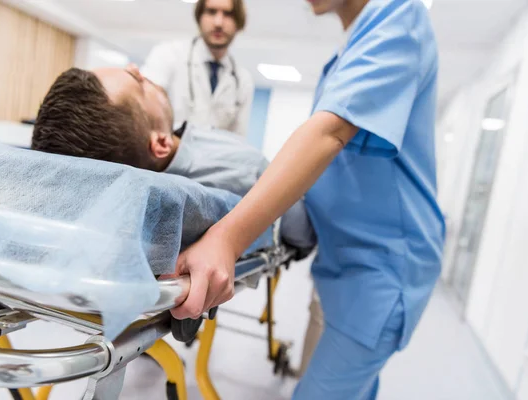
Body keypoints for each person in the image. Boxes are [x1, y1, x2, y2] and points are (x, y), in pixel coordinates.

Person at [168, 0, 446, 398]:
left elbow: (327, 134)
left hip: (383, 270)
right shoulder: (347, 52)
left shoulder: (401, 15)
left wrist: (227, 239)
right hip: (346, 261)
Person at [31, 65, 316, 251]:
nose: (135, 68)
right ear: (161, 144)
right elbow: (301, 230)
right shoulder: (246, 168)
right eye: (136, 81)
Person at [141, 0, 254, 136]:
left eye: (228, 14)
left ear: (239, 22)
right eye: (211, 12)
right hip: (166, 154)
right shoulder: (167, 55)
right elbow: (142, 108)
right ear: (199, 17)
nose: (218, 23)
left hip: (213, 157)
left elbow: (237, 139)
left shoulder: (242, 80)